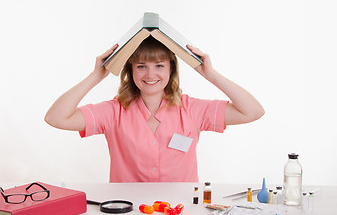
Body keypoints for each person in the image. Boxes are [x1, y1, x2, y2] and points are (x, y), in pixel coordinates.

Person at [45, 37, 264, 183]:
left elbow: (252, 111)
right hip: (128, 213)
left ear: (171, 69)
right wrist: (97, 75)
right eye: (141, 66)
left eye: (159, 65)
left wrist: (210, 74)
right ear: (131, 71)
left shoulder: (192, 109)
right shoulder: (113, 112)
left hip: (181, 213)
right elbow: (55, 118)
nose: (150, 75)